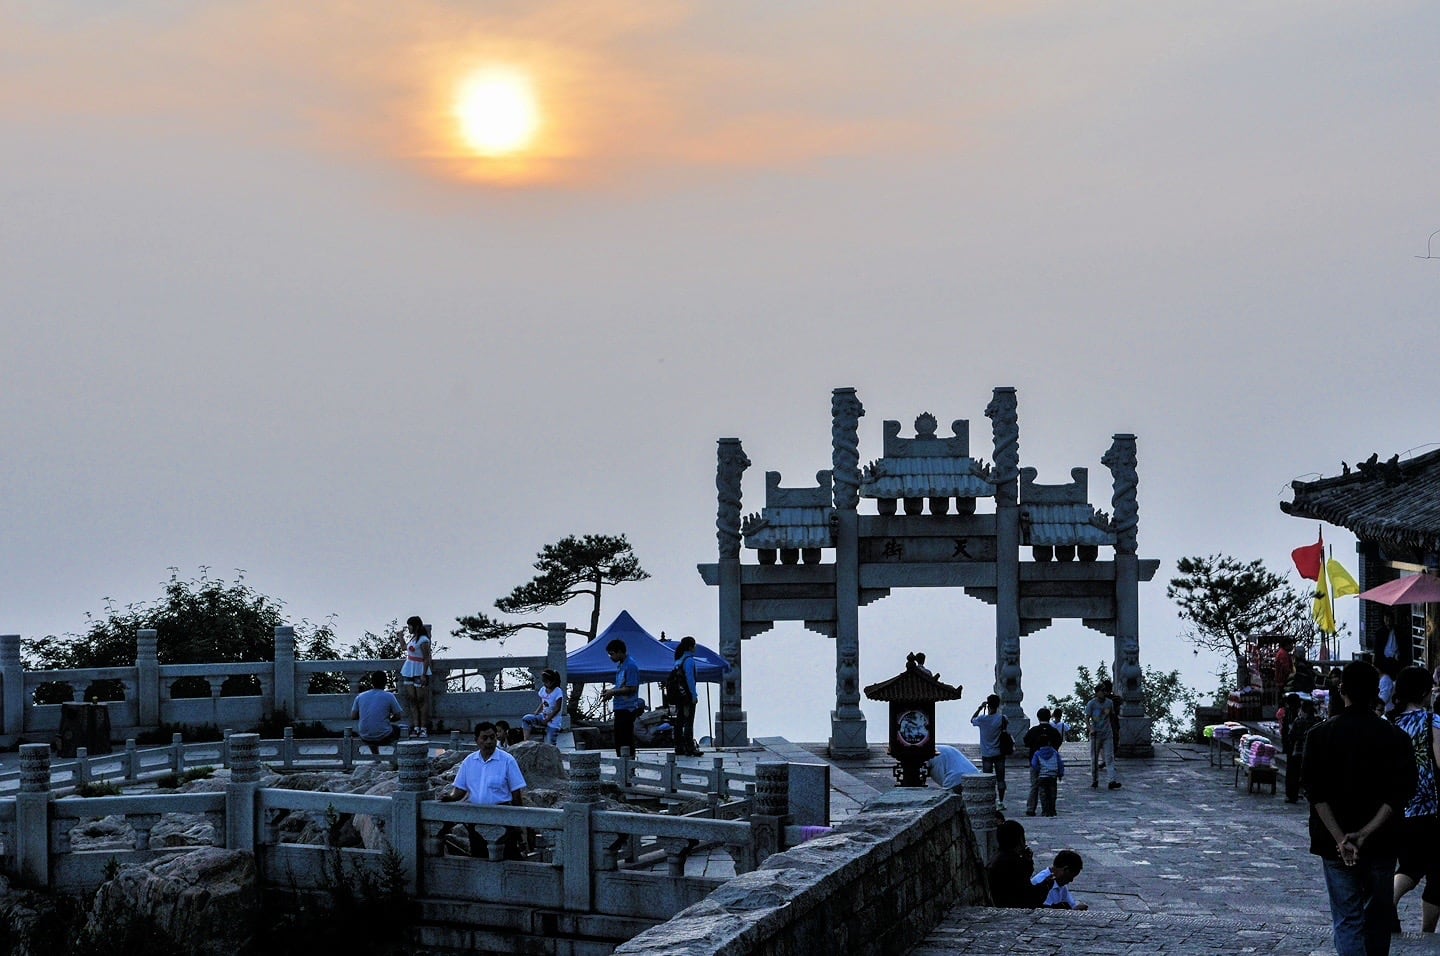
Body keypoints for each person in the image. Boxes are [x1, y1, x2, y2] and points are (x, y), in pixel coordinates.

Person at [1304, 659, 1415, 956]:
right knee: (1377, 918)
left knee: (1347, 918)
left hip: (1333, 844)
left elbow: (1316, 794)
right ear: (1376, 692)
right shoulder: (1396, 737)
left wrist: (1341, 838)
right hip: (1381, 841)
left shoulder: (1318, 736)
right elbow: (1399, 795)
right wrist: (1364, 833)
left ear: (1342, 691)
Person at [1390, 665, 1440, 933]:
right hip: (1430, 806)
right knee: (1437, 872)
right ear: (1422, 692)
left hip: (1398, 807)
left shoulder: (1390, 721)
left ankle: (1388, 903)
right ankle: (1427, 931)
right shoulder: (1432, 721)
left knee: (1411, 864)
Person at [440, 721, 528, 858]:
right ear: (477, 741)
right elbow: (460, 790)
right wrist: (450, 798)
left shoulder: (507, 760)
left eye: (492, 737)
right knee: (479, 856)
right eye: (484, 738)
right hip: (476, 818)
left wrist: (519, 823)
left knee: (506, 857)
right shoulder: (469, 761)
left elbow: (516, 794)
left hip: (502, 818)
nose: (489, 741)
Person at [600, 638, 643, 757]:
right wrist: (610, 692)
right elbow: (621, 685)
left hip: (628, 708)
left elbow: (631, 688)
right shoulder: (621, 666)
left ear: (619, 652)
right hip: (620, 707)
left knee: (626, 738)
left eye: (612, 654)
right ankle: (622, 762)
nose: (611, 657)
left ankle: (628, 763)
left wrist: (613, 692)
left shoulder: (630, 666)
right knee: (619, 737)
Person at [986, 819, 1042, 908]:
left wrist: (1027, 861)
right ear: (1020, 840)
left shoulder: (999, 857)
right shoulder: (1012, 861)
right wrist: (1047, 885)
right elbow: (1027, 893)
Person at [349, 670, 403, 755]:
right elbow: (398, 716)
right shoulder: (389, 696)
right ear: (385, 682)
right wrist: (389, 719)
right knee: (399, 729)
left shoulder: (360, 696)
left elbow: (353, 716)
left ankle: (376, 757)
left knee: (370, 726)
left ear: (372, 682)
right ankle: (394, 758)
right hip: (384, 737)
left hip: (365, 736)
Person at [1022, 707, 1062, 817]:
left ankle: (1031, 808)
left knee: (1034, 786)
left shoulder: (1033, 730)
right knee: (1051, 788)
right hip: (1050, 764)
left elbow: (1026, 742)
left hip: (1035, 762)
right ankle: (1050, 809)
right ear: (1050, 717)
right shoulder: (1053, 731)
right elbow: (1058, 742)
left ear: (1038, 717)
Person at [971, 694, 1008, 811]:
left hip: (986, 753)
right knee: (1001, 779)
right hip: (999, 752)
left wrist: (980, 708)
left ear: (988, 704)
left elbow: (972, 720)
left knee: (987, 779)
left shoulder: (982, 719)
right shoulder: (1002, 718)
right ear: (998, 705)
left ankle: (989, 800)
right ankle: (1001, 801)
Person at [399, 615, 433, 739]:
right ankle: (416, 726)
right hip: (409, 669)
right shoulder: (413, 638)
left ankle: (423, 728)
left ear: (416, 626)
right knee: (412, 699)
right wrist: (400, 637)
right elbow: (404, 648)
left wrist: (424, 674)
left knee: (421, 700)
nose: (409, 628)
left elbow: (426, 657)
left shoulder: (423, 640)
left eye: (410, 625)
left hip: (419, 670)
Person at [1085, 680, 1120, 790]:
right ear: (1097, 692)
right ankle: (1095, 779)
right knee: (1094, 758)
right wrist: (1090, 729)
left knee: (1109, 757)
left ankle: (1112, 780)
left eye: (1105, 691)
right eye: (1102, 691)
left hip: (1107, 733)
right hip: (1096, 734)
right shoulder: (1091, 703)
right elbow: (1086, 718)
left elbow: (1112, 716)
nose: (1104, 693)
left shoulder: (1109, 703)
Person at [671, 636, 702, 756]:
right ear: (690, 647)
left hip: (680, 695)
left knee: (680, 721)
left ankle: (679, 746)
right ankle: (690, 747)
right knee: (689, 721)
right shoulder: (689, 660)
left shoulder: (678, 660)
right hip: (687, 696)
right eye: (694, 645)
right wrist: (693, 695)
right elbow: (690, 679)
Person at [1285, 696, 1317, 804]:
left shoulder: (1298, 721)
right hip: (1311, 753)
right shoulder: (1316, 722)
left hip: (1297, 751)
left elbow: (1291, 735)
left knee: (1293, 773)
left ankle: (1292, 795)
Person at [521, 669, 566, 745]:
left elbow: (557, 708)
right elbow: (543, 703)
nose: (545, 684)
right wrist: (537, 711)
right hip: (543, 716)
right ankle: (526, 741)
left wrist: (548, 719)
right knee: (526, 719)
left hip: (553, 721)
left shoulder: (558, 691)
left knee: (550, 744)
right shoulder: (543, 690)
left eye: (547, 682)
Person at [1031, 741, 1065, 816]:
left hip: (1042, 776)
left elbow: (1034, 764)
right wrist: (1060, 774)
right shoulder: (1055, 752)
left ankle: (1045, 810)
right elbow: (1060, 764)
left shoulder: (1037, 753)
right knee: (1052, 794)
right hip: (1052, 776)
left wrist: (1039, 770)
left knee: (1043, 794)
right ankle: (1052, 810)